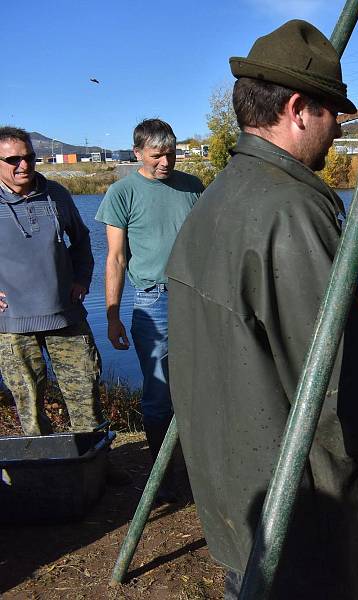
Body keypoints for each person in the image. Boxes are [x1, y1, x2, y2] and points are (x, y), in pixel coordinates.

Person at [166, 20, 358, 600]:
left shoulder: (215, 200)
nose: (339, 125)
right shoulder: (291, 213)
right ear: (297, 108)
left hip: (236, 497)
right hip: (299, 508)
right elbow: (335, 374)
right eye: (332, 110)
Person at [95, 119, 203, 500]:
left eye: (171, 153)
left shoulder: (192, 186)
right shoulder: (121, 192)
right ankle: (163, 476)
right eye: (157, 155)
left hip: (194, 299)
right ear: (138, 152)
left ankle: (198, 468)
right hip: (152, 301)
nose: (166, 162)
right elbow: (116, 259)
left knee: (199, 386)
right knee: (158, 393)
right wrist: (112, 315)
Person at [0, 126, 104, 435]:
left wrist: (83, 278)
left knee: (86, 394)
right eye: (13, 159)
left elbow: (83, 240)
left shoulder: (56, 193)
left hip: (66, 314)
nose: (24, 166)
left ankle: (96, 463)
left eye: (30, 157)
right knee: (30, 410)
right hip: (12, 324)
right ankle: (46, 472)